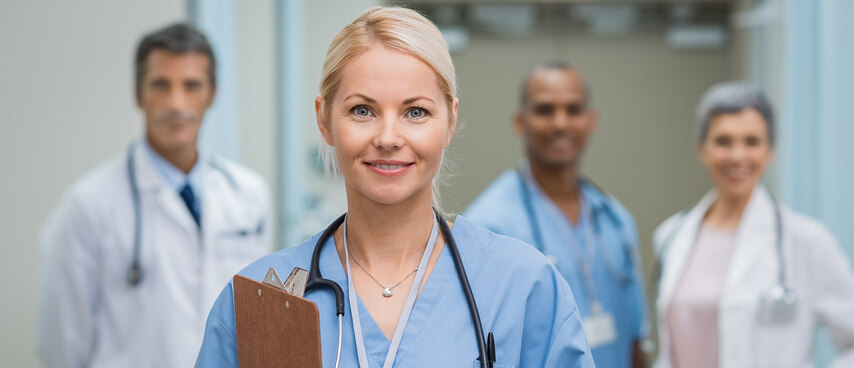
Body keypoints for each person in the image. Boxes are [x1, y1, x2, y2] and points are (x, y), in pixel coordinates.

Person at [195, 7, 593, 368]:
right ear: (324, 119)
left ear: (450, 121)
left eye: (415, 112)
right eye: (362, 110)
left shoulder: (523, 287)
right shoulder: (257, 301)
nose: (388, 137)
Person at [37, 23, 272, 367]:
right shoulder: (89, 205)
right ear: (138, 93)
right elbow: (62, 345)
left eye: (192, 86)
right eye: (161, 85)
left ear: (212, 94)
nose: (176, 103)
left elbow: (257, 318)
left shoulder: (249, 194)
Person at [653, 81, 854, 367]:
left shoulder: (807, 241)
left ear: (770, 150)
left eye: (752, 142)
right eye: (723, 141)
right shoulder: (671, 235)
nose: (738, 156)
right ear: (702, 149)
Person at [464, 63, 648, 368]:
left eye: (573, 110)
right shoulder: (490, 227)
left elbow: (635, 342)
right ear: (520, 122)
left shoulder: (616, 221)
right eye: (545, 110)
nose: (560, 123)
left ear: (591, 121)